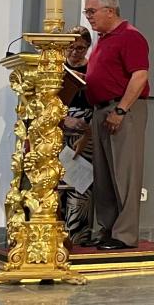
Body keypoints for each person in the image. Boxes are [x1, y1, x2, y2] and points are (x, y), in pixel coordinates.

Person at [83, 0, 150, 251]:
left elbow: (139, 76)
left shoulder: (130, 36)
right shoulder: (102, 39)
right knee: (104, 175)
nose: (88, 17)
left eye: (92, 11)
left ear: (110, 11)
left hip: (123, 110)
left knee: (125, 173)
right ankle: (108, 228)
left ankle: (124, 235)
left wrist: (120, 111)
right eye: (86, 12)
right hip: (101, 110)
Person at [59, 26, 95, 245]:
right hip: (58, 132)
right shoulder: (55, 70)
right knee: (57, 185)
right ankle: (56, 237)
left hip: (86, 134)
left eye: (80, 48)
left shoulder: (94, 69)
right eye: (70, 47)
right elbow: (45, 104)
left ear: (88, 47)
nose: (75, 52)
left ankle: (79, 239)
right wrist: (65, 120)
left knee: (81, 187)